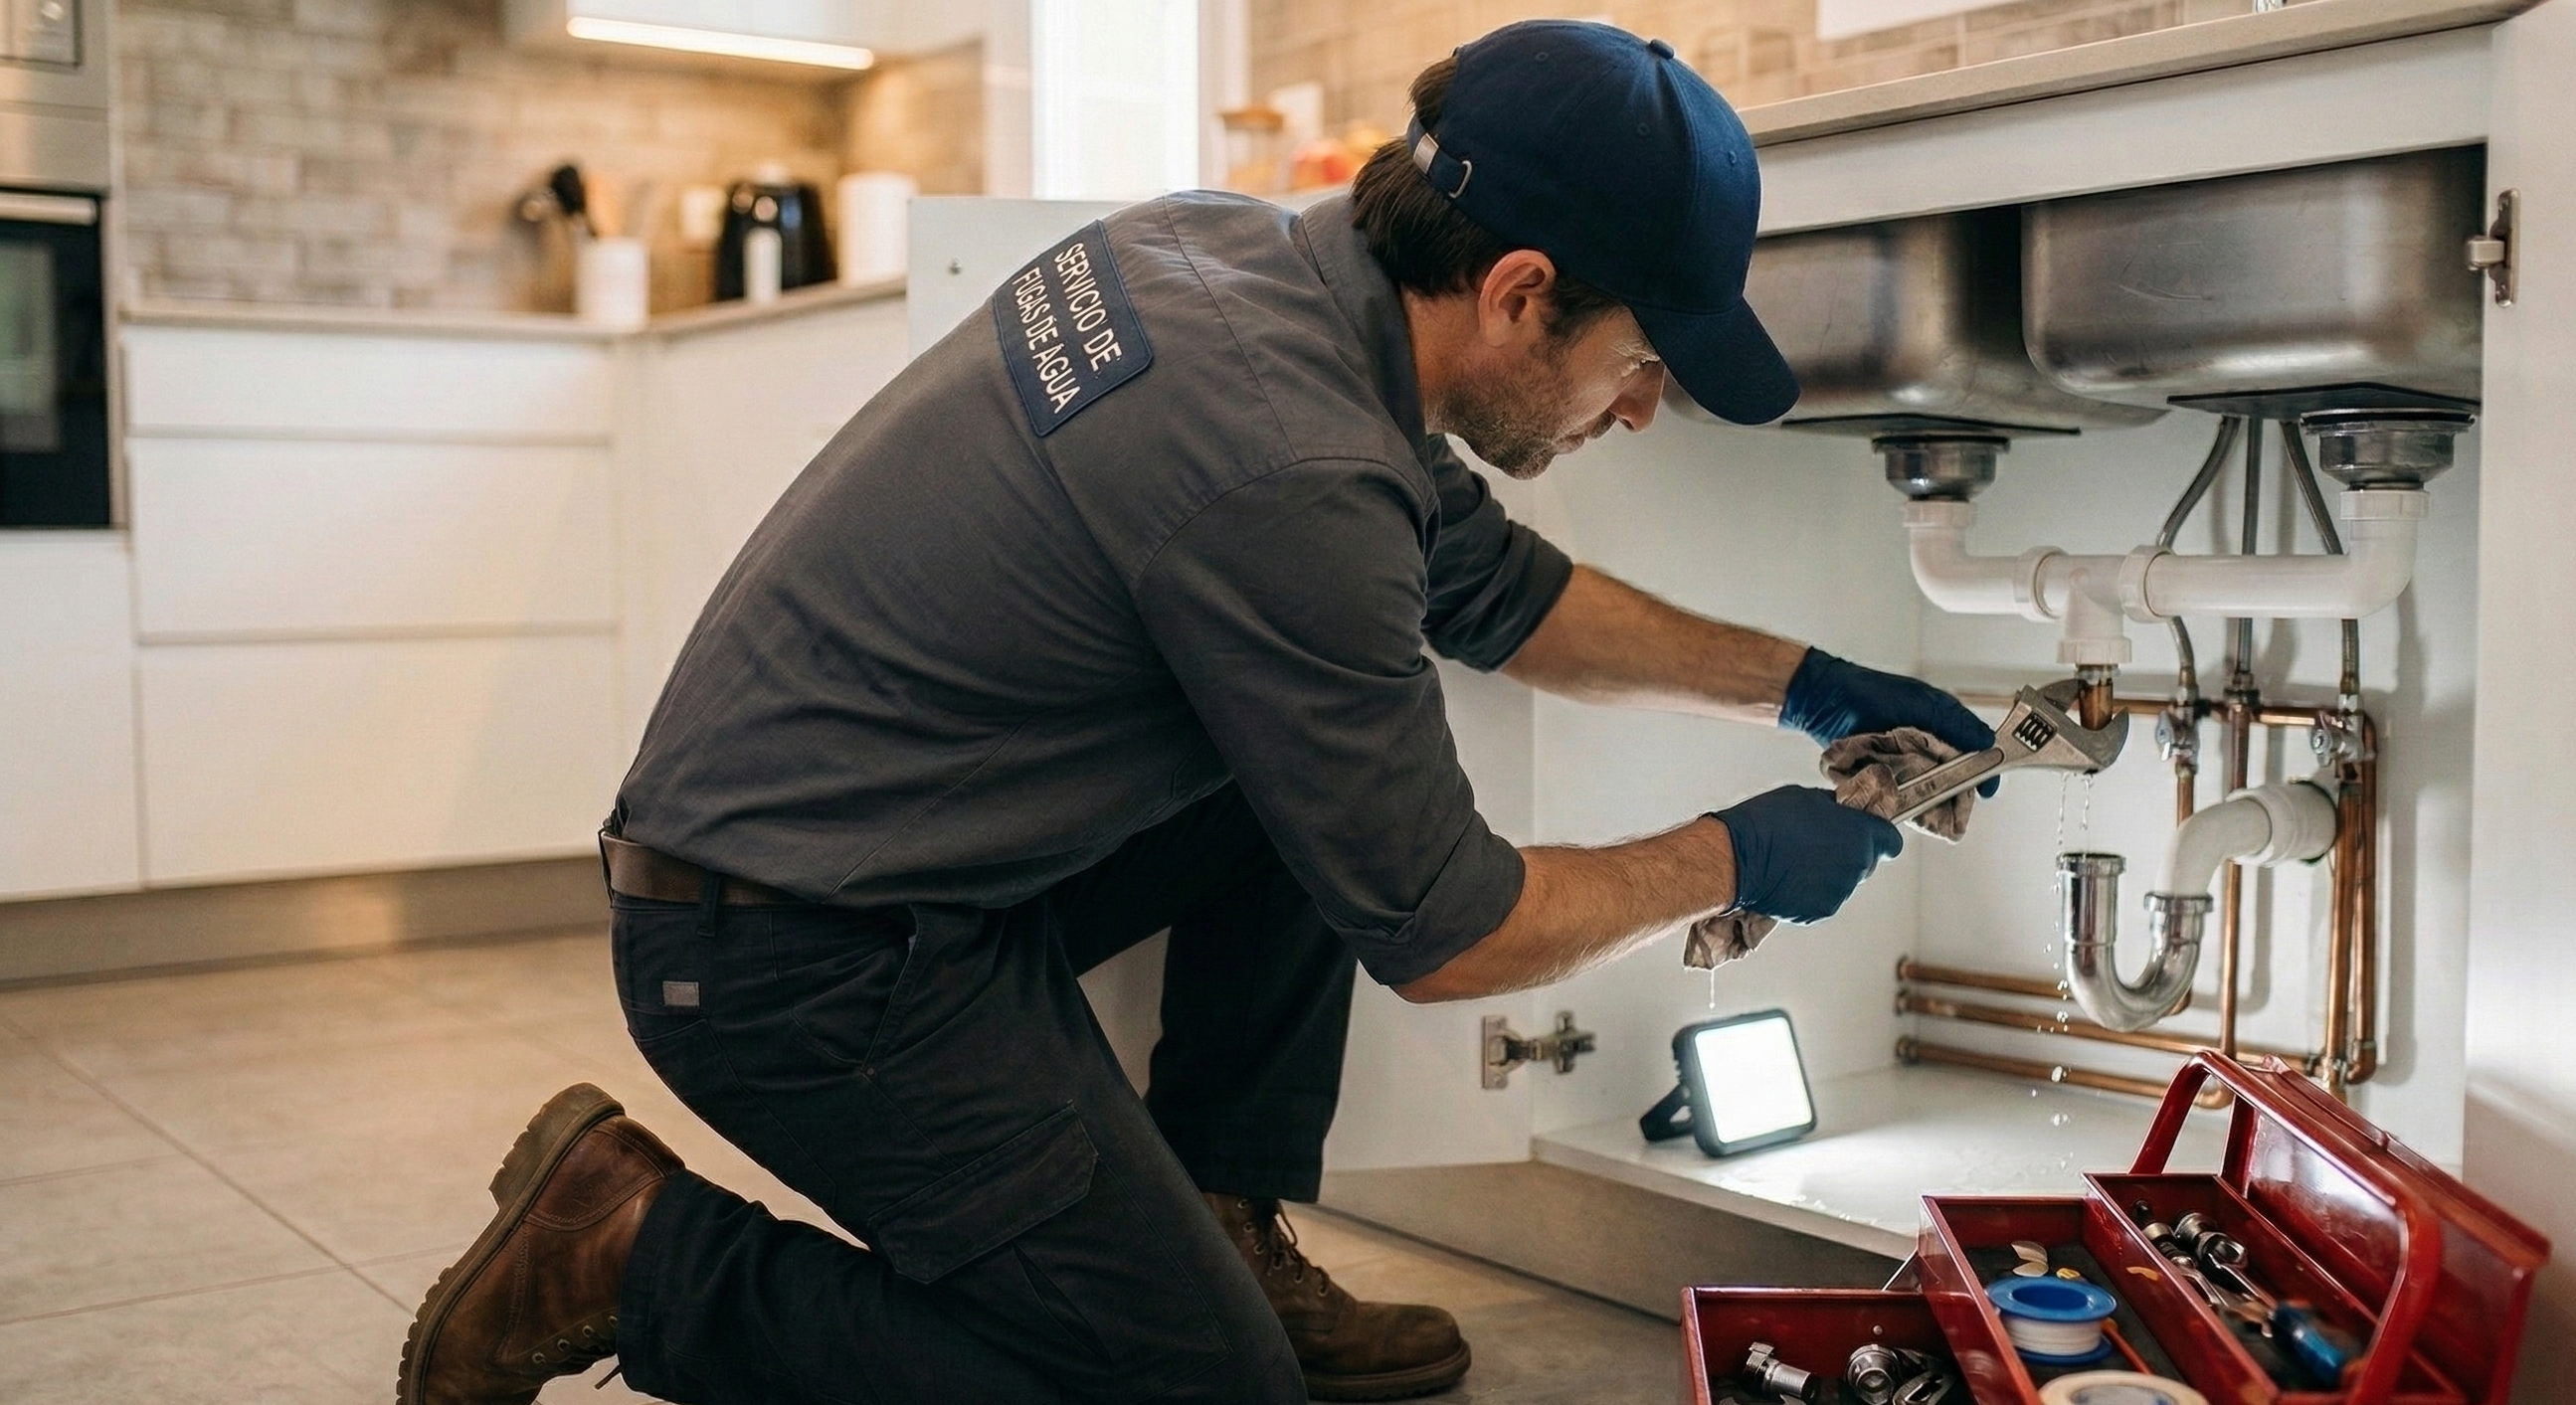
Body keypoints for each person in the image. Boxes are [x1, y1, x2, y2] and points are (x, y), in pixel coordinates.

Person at [397, 21, 1994, 1405]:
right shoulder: (1291, 471)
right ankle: (628, 1252)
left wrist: (1803, 689)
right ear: (1518, 294)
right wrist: (1734, 856)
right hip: (787, 962)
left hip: (870, 867)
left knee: (1285, 787)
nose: (1642, 407)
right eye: (1640, 360)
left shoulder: (1241, 258)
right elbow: (1446, 933)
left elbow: (1496, 594)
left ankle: (1210, 1222)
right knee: (1193, 1391)